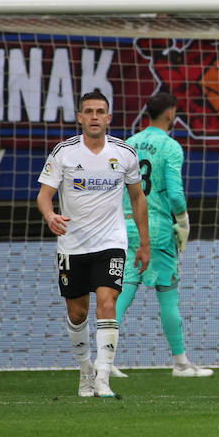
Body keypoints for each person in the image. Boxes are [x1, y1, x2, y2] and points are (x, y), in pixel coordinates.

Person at [36, 90, 150, 400]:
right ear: (81, 117)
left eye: (101, 111)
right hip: (72, 245)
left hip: (111, 242)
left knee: (108, 301)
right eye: (89, 111)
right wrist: (50, 216)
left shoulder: (125, 153)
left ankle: (103, 377)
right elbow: (44, 196)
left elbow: (138, 198)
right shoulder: (64, 153)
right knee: (77, 313)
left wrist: (144, 243)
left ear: (109, 117)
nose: (95, 116)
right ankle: (85, 368)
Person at [112, 92, 213, 379]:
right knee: (168, 295)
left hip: (126, 225)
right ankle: (180, 363)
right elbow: (176, 194)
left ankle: (104, 359)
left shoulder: (128, 144)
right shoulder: (170, 147)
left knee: (122, 292)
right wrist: (182, 219)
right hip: (156, 228)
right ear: (170, 114)